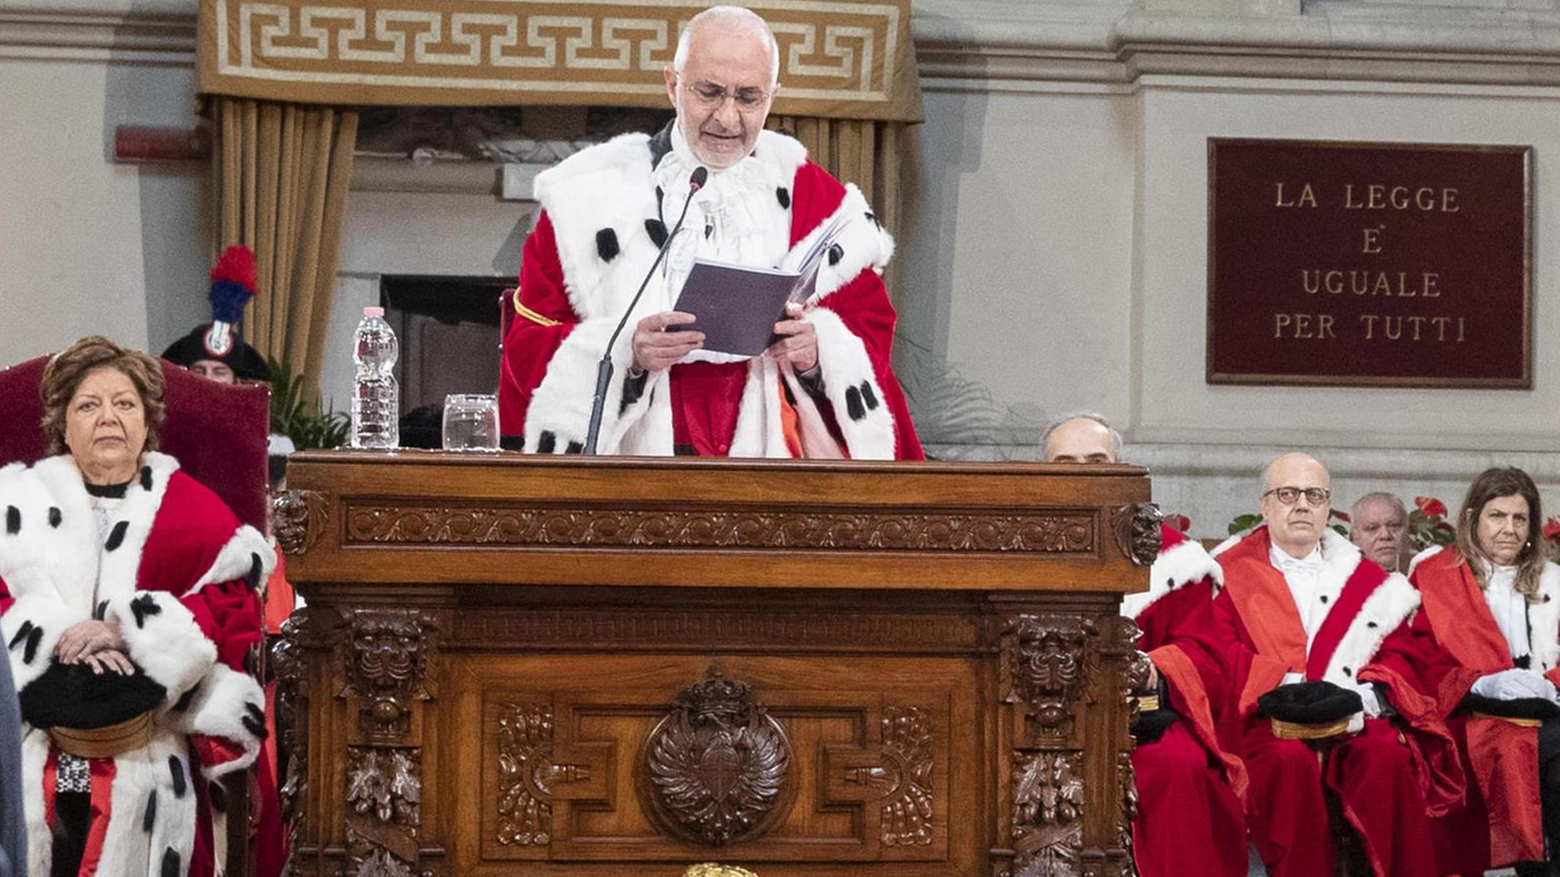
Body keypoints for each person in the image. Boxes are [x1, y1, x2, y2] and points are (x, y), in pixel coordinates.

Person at [498, 5, 922, 460]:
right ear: (672, 85)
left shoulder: (817, 202)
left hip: (773, 472)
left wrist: (818, 351)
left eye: (748, 97)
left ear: (772, 97)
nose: (727, 117)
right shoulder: (585, 200)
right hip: (630, 474)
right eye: (710, 92)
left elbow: (871, 335)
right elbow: (524, 351)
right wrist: (627, 350)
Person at [0, 336, 271, 877]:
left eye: (125, 404)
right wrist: (55, 636)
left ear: (148, 423)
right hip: (27, 738)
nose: (108, 418)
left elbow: (236, 608)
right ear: (61, 424)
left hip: (150, 742)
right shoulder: (13, 502)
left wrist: (133, 634)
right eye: (88, 405)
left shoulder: (191, 507)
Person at [1210, 452, 1463, 877]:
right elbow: (1218, 652)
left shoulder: (1368, 581)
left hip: (1353, 717)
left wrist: (1366, 694)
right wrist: (1283, 688)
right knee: (1287, 763)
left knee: (1386, 757)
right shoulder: (1228, 573)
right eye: (1287, 493)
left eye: (1315, 495)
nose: (1302, 505)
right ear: (1264, 504)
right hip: (1264, 721)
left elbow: (1404, 653)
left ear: (1329, 508)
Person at [1042, 415, 1247, 877]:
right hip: (1027, 718)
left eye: (1097, 461)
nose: (1084, 473)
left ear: (1123, 469)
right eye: (1066, 462)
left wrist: (1155, 667)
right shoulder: (1012, 548)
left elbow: (1209, 654)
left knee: (1176, 766)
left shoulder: (1175, 559)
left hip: (1138, 720)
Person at [1377, 467, 1560, 876]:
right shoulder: (1436, 575)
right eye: (1496, 516)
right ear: (1473, 518)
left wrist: (1550, 686)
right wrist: (1483, 682)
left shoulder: (1554, 581)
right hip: (1465, 713)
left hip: (1545, 709)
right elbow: (1417, 656)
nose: (1508, 529)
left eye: (1519, 518)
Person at [1350, 491, 1408, 574]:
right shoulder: (1337, 582)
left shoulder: (1424, 580)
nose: (1385, 535)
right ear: (1355, 536)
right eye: (1372, 528)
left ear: (1406, 530)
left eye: (1394, 525)